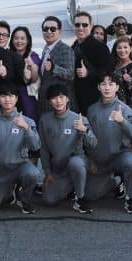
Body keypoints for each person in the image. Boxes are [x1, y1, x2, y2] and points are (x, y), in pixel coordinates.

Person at [84, 72, 132, 213]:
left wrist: (122, 121)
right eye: (103, 84)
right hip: (100, 160)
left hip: (120, 156)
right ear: (98, 87)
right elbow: (87, 138)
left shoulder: (125, 109)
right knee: (90, 195)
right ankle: (115, 182)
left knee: (131, 163)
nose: (107, 88)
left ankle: (131, 199)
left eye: (111, 84)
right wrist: (91, 160)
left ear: (116, 87)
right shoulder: (92, 110)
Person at [0, 86, 41, 214]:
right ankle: (9, 191)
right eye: (3, 96)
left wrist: (26, 128)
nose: (7, 99)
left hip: (20, 167)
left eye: (11, 96)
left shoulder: (28, 122)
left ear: (16, 99)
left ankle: (24, 198)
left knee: (33, 173)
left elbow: (36, 146)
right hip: (0, 171)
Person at [38, 83, 97, 213]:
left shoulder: (79, 119)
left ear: (67, 99)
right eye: (54, 98)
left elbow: (93, 144)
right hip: (58, 169)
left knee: (75, 163)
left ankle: (80, 199)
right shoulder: (44, 120)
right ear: (49, 101)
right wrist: (47, 172)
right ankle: (71, 188)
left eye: (61, 97)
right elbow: (44, 149)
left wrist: (84, 130)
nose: (58, 101)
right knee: (48, 200)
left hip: (77, 163)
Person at [71, 11, 113, 115]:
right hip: (77, 99)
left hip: (94, 100)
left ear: (91, 26)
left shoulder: (100, 47)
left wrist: (88, 73)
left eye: (84, 25)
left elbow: (109, 72)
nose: (81, 28)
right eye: (77, 25)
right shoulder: (74, 46)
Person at [37, 16, 75, 114]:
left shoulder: (65, 49)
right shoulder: (45, 50)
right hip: (45, 104)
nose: (49, 32)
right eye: (45, 29)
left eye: (53, 29)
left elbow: (70, 74)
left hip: (59, 106)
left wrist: (54, 68)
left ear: (60, 31)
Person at [9, 26, 41, 119]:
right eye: (16, 38)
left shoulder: (33, 56)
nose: (19, 41)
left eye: (23, 38)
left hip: (27, 96)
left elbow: (34, 79)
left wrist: (31, 65)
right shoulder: (8, 55)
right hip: (11, 96)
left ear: (28, 40)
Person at [111, 35, 132, 107]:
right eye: (119, 48)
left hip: (124, 105)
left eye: (125, 47)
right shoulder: (114, 65)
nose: (122, 50)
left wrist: (128, 81)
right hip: (111, 102)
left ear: (131, 49)